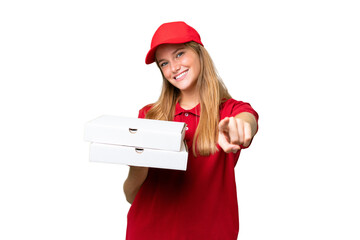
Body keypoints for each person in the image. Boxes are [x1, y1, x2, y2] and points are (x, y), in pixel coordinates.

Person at [123, 21, 259, 240]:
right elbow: (132, 195)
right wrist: (137, 162)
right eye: (164, 63)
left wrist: (240, 127)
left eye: (179, 54)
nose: (173, 68)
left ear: (199, 53)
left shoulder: (229, 111)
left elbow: (247, 120)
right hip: (148, 233)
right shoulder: (149, 116)